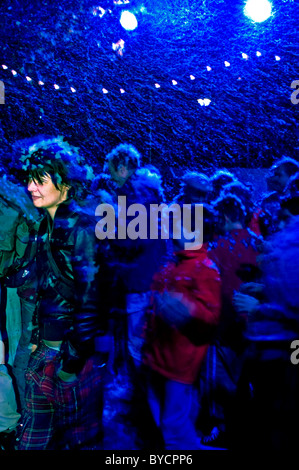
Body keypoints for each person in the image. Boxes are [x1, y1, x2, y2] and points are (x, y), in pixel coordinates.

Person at [16, 137, 109, 450]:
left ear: (66, 183)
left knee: (79, 442)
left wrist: (69, 366)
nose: (31, 187)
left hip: (70, 359)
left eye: (40, 179)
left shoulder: (84, 229)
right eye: (29, 178)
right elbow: (45, 289)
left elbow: (91, 306)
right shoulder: (45, 226)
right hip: (47, 352)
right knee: (36, 441)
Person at [143, 204, 221, 450]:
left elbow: (211, 314)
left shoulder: (204, 269)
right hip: (160, 356)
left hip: (181, 360)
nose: (173, 232)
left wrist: (185, 307)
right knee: (162, 418)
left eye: (181, 228)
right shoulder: (175, 263)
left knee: (174, 425)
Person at [199, 193, 261, 448]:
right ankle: (246, 425)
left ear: (223, 217)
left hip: (223, 326)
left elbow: (208, 284)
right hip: (253, 325)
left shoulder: (218, 247)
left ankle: (222, 427)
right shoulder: (259, 243)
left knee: (218, 379)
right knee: (247, 378)